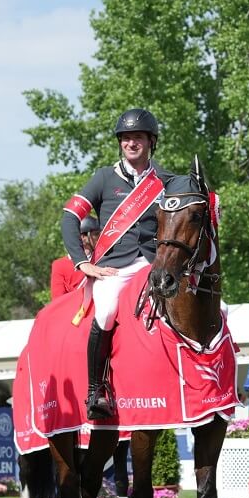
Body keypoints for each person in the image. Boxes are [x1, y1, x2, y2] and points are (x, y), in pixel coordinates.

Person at [62, 108, 175, 420]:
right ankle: (95, 390)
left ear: (151, 141)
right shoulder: (103, 178)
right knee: (108, 307)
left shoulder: (165, 180)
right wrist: (82, 263)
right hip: (116, 267)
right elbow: (70, 216)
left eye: (137, 137)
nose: (131, 143)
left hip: (155, 264)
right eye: (125, 138)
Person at [50, 215, 100, 299]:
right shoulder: (60, 265)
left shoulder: (101, 257)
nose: (99, 237)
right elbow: (58, 300)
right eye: (95, 234)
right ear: (82, 237)